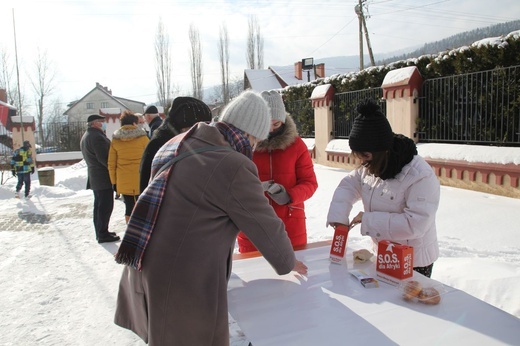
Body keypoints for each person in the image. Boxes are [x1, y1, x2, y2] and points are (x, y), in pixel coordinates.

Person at [114, 90, 308, 345]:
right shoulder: (232, 163)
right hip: (182, 279)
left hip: (147, 261)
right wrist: (288, 261)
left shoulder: (182, 141)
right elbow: (264, 223)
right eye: (257, 140)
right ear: (249, 133)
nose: (255, 147)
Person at [327, 99, 440, 278]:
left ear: (381, 151)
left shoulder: (420, 175)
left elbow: (416, 224)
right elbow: (348, 186)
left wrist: (368, 220)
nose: (362, 162)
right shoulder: (371, 167)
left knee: (406, 303)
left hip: (414, 260)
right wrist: (338, 217)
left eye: (365, 156)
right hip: (384, 253)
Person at [237, 90, 318, 253]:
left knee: (294, 272)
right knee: (255, 272)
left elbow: (310, 183)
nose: (271, 130)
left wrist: (290, 195)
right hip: (253, 225)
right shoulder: (243, 146)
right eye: (266, 124)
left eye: (276, 124)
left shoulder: (296, 146)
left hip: (291, 226)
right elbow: (232, 185)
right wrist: (255, 188)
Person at [139, 96, 212, 193]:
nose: (204, 131)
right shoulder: (158, 146)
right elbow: (146, 188)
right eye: (199, 127)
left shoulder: (200, 143)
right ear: (183, 126)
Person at [80, 114, 120, 243]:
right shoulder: (96, 137)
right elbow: (105, 159)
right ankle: (103, 234)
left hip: (95, 176)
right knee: (104, 206)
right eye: (102, 121)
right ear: (95, 123)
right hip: (102, 177)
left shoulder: (87, 135)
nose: (104, 123)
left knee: (99, 206)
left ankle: (101, 231)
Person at [108, 111, 149, 224]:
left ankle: (130, 230)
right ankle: (141, 229)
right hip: (141, 178)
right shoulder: (143, 138)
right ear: (134, 123)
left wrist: (114, 182)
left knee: (129, 206)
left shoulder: (115, 139)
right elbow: (150, 157)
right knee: (142, 205)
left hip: (123, 179)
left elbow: (111, 163)